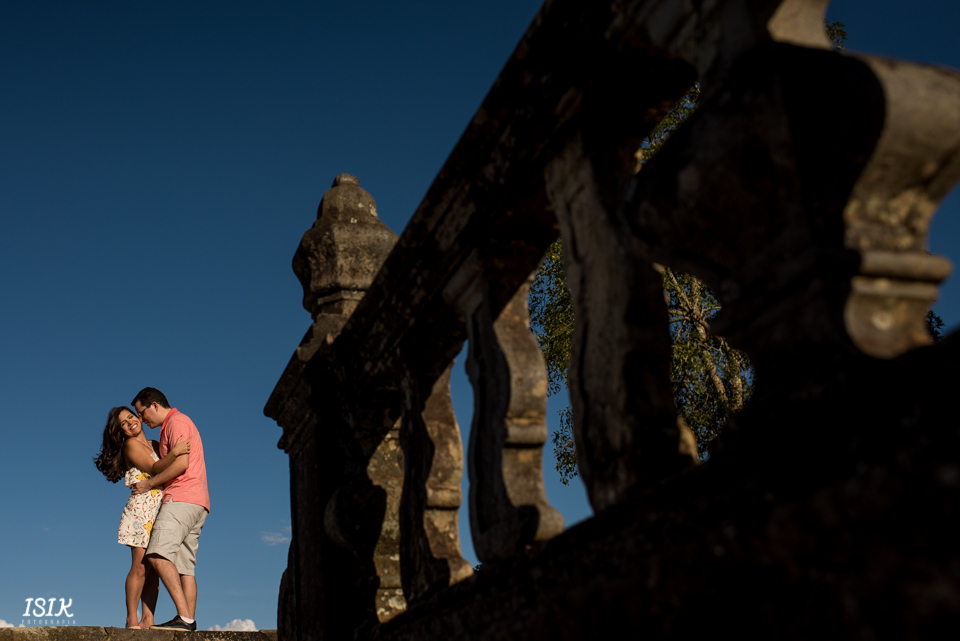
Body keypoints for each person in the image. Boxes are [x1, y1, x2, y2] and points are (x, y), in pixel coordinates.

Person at [94, 406, 191, 629]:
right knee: (139, 566)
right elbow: (156, 468)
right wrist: (176, 453)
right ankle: (132, 618)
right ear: (121, 432)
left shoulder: (155, 445)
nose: (130, 423)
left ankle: (149, 618)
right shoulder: (130, 445)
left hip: (159, 509)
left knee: (154, 567)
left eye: (130, 417)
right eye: (123, 423)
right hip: (141, 510)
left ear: (138, 417)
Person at [131, 387, 210, 632]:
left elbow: (182, 463)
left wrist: (149, 484)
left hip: (181, 498)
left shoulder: (176, 421)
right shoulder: (175, 424)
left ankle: (185, 618)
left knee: (156, 554)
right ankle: (187, 623)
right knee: (185, 568)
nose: (142, 420)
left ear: (154, 405)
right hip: (198, 501)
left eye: (142, 413)